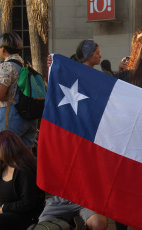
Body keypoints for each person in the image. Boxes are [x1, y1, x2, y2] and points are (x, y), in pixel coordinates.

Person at [45, 39, 108, 230]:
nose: (100, 55)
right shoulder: (72, 72)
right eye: (97, 52)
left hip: (89, 129)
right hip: (76, 129)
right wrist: (54, 66)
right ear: (89, 54)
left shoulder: (97, 76)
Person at [0, 130, 44, 230]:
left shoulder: (24, 171)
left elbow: (28, 202)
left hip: (22, 215)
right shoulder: (1, 166)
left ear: (5, 148)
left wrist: (4, 209)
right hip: (2, 210)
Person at [0, 32, 38, 151]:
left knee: (6, 154)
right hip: (29, 116)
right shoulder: (26, 64)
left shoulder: (6, 66)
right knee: (27, 155)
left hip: (10, 117)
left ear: (3, 48)